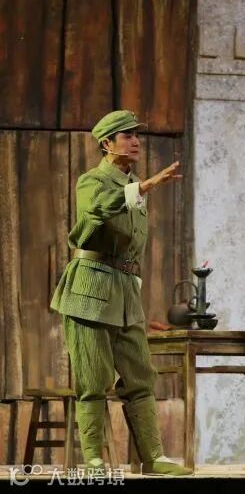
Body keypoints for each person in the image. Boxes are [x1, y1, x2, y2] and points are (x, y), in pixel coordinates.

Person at [49, 110, 191, 475]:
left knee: (140, 375)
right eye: (126, 135)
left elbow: (131, 247)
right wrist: (142, 188)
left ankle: (153, 458)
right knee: (93, 378)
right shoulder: (93, 181)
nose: (136, 141)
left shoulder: (134, 185)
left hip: (126, 294)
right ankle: (93, 459)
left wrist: (135, 290)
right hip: (90, 291)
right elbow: (96, 211)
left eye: (136, 135)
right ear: (107, 143)